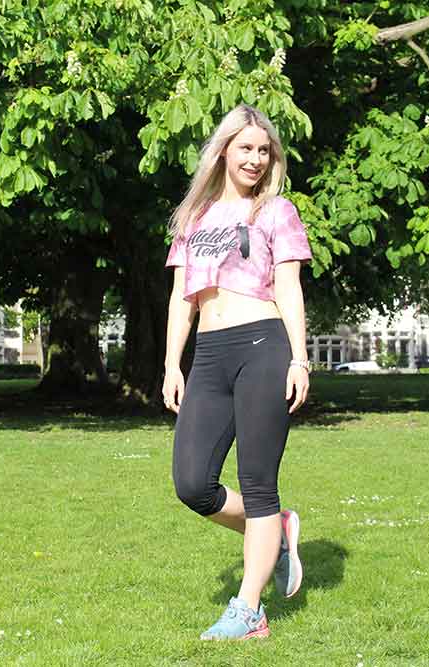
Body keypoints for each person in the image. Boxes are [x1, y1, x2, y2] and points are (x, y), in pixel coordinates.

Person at [162, 104, 312, 641]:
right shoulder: (193, 218)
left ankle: (249, 612)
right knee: (192, 484)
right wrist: (171, 364)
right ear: (223, 151)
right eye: (245, 148)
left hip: (262, 348)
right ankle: (278, 529)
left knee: (258, 482)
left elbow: (289, 288)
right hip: (208, 356)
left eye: (264, 150)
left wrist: (299, 358)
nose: (255, 159)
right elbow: (182, 299)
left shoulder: (276, 212)